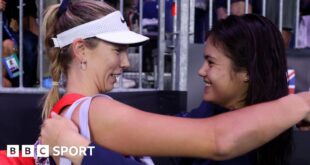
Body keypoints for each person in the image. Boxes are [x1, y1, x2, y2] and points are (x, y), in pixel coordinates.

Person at [40, 0, 310, 164]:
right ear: (81, 50)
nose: (125, 63)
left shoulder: (65, 113)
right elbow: (218, 139)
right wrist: (302, 102)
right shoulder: (96, 112)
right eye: (117, 50)